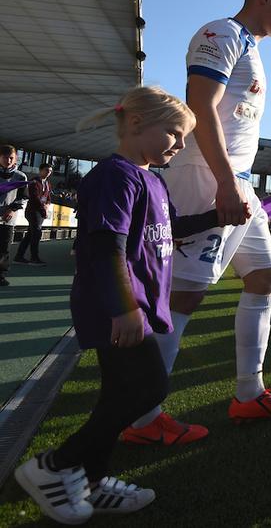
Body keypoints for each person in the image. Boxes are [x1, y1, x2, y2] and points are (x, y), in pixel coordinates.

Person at [15, 87, 220, 523]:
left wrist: (219, 216)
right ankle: (52, 466)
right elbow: (108, 246)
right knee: (149, 389)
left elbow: (173, 226)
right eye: (174, 134)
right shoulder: (115, 176)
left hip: (133, 307)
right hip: (120, 308)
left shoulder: (151, 179)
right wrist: (124, 308)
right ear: (135, 123)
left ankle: (89, 479)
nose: (179, 145)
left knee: (119, 395)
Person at [122, 0, 271, 445]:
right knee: (181, 299)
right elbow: (200, 106)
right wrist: (224, 182)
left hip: (238, 184)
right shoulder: (222, 33)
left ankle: (249, 392)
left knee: (266, 278)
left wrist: (237, 184)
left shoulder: (251, 47)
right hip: (205, 179)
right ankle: (142, 419)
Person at [14, 162, 52, 266]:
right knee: (36, 234)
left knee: (30, 234)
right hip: (33, 211)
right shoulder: (34, 182)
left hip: (40, 211)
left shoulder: (48, 183)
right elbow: (34, 197)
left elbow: (48, 198)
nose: (48, 173)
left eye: (50, 171)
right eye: (47, 170)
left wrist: (47, 205)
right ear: (40, 170)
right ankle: (34, 258)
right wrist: (43, 209)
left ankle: (19, 256)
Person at [0, 145, 27, 286]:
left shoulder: (21, 176)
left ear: (16, 158)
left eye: (11, 157)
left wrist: (11, 210)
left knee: (4, 249)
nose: (8, 160)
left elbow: (23, 197)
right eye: (5, 157)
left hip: (8, 220)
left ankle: (1, 276)